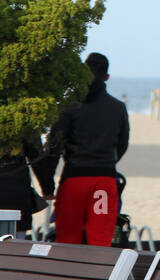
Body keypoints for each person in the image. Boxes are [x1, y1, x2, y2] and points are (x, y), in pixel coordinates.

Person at [37, 52, 130, 246]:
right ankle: (99, 276)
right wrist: (107, 162)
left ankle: (69, 275)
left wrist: (47, 184)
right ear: (107, 77)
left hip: (74, 179)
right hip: (104, 180)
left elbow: (54, 147)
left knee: (67, 239)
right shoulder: (118, 107)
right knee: (100, 240)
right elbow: (122, 144)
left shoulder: (69, 106)